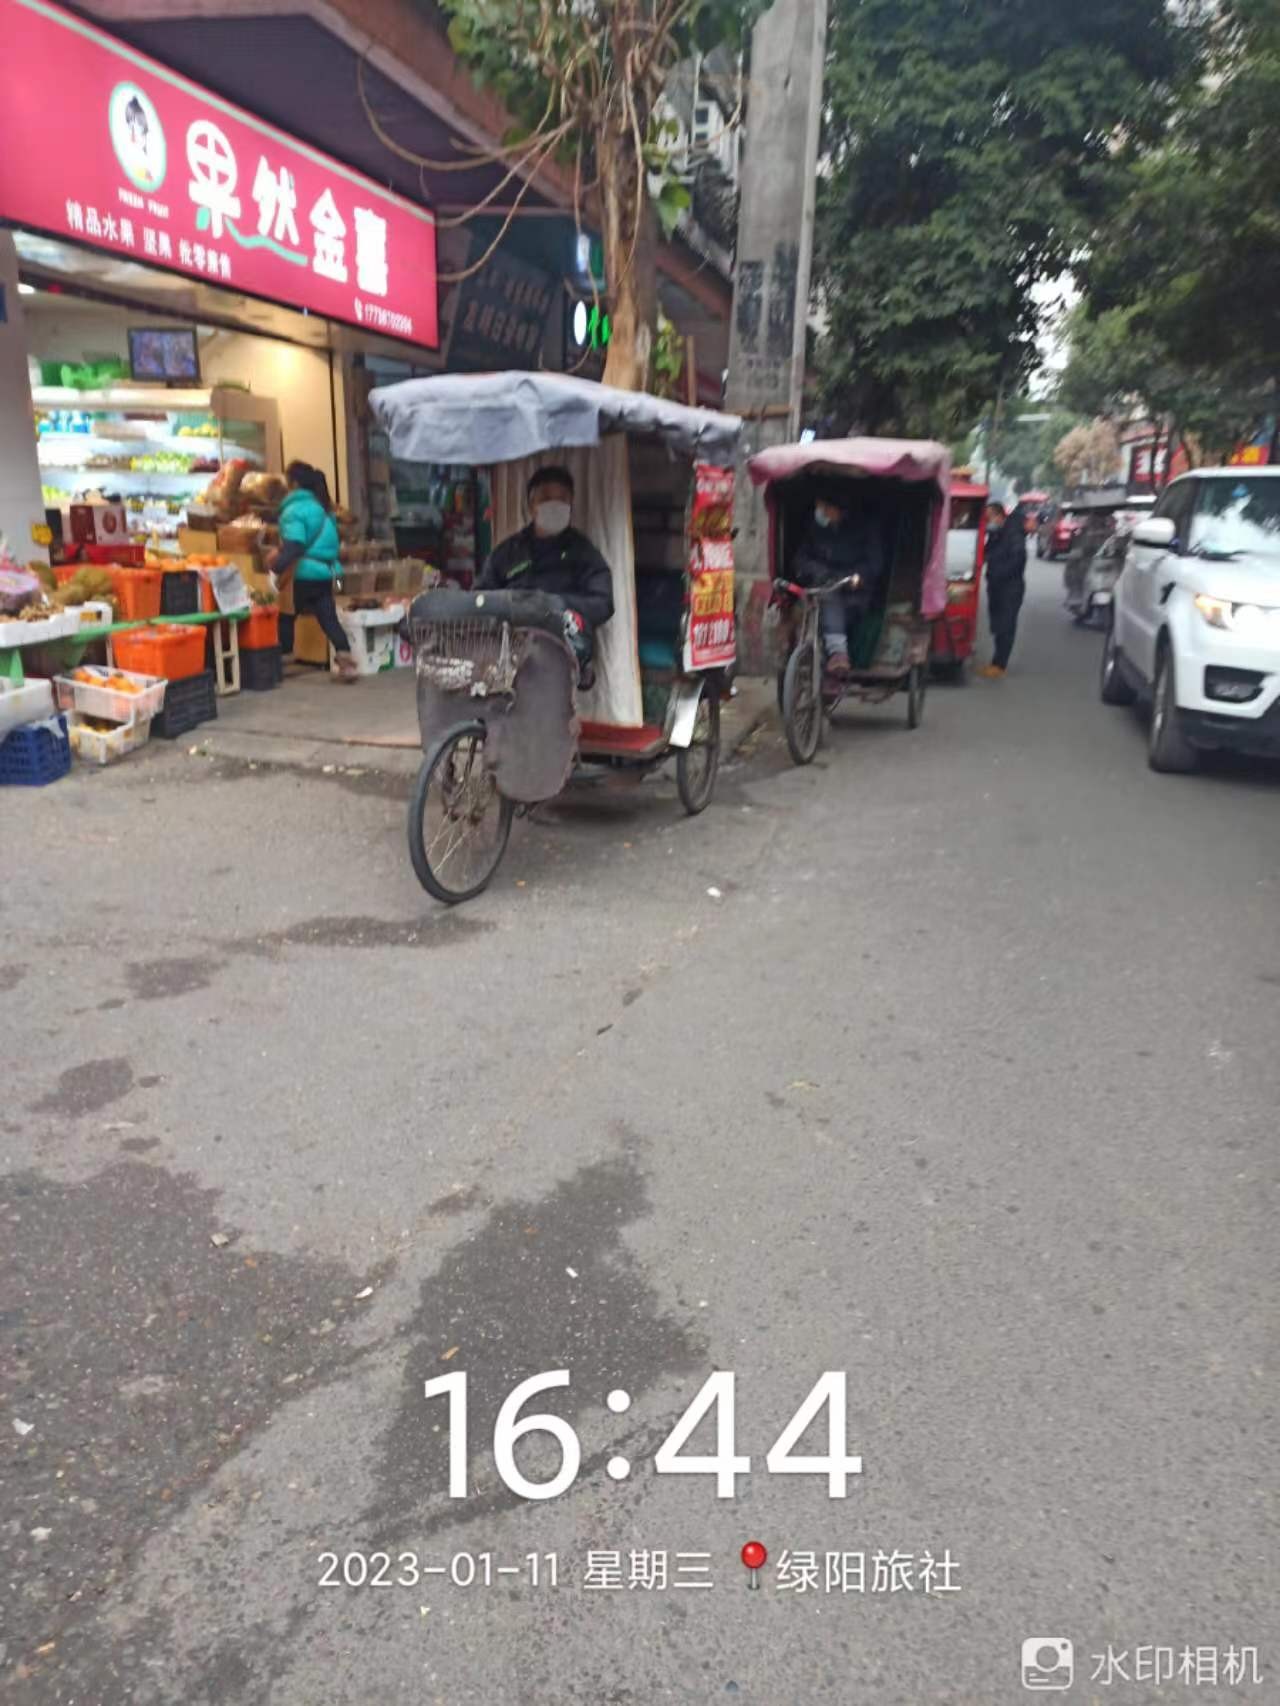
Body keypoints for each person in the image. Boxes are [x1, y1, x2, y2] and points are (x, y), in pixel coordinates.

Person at [476, 466, 614, 688]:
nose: (555, 505)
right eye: (546, 498)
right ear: (532, 506)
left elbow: (603, 602)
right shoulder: (508, 552)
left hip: (561, 650)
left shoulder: (583, 553)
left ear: (571, 505)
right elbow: (480, 596)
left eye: (562, 499)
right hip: (509, 650)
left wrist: (556, 604)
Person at [269, 461, 356, 681]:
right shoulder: (324, 510)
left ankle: (283, 661)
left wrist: (276, 568)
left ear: (294, 484)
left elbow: (295, 546)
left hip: (302, 575)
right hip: (328, 574)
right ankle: (346, 660)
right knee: (329, 619)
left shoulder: (294, 511)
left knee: (286, 615)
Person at [791, 489, 885, 677]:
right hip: (820, 587)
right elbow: (801, 559)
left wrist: (850, 577)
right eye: (819, 508)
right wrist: (821, 573)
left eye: (826, 508)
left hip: (854, 595)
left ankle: (838, 653)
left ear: (839, 510)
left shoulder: (864, 529)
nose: (821, 513)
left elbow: (874, 564)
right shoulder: (815, 529)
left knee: (832, 598)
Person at [978, 501, 1028, 678]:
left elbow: (1018, 560)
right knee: (998, 624)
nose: (988, 522)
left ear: (999, 516)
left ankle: (999, 664)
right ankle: (995, 662)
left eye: (989, 518)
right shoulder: (997, 533)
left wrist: (999, 573)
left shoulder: (1013, 534)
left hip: (1010, 588)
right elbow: (986, 552)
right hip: (996, 586)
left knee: (1006, 625)